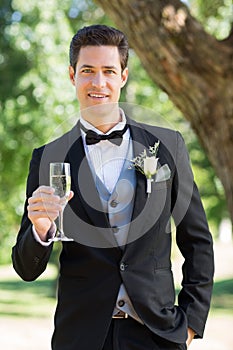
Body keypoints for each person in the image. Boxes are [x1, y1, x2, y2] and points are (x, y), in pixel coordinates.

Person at [12, 24, 214, 350]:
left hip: (157, 334)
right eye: (88, 70)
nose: (99, 82)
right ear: (71, 75)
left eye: (109, 71)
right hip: (81, 335)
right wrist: (40, 230)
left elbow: (198, 241)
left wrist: (190, 322)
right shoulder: (47, 158)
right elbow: (25, 268)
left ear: (123, 76)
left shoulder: (168, 146)